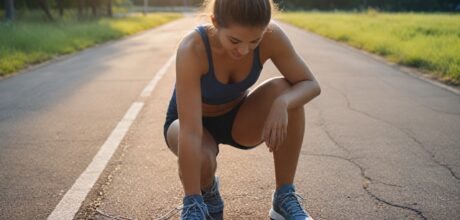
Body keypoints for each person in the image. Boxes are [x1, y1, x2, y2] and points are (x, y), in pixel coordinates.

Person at [163, 0, 321, 219]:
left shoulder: (271, 35)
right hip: (188, 122)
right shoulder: (192, 48)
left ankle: (283, 197)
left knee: (286, 90)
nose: (244, 50)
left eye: (254, 41)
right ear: (215, 22)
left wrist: (282, 103)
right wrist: (192, 200)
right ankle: (206, 193)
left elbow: (310, 84)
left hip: (236, 119)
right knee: (202, 160)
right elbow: (190, 132)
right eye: (235, 40)